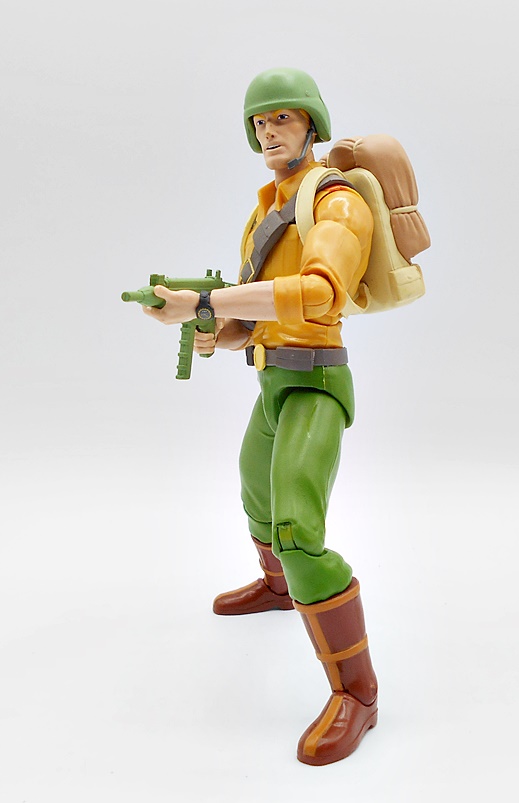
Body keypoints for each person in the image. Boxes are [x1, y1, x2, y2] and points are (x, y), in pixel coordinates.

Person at [144, 67, 378, 766]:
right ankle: (280, 589)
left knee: (297, 530)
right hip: (272, 381)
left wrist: (204, 304)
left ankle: (358, 692)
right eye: (259, 122)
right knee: (256, 493)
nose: (269, 131)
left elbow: (317, 294)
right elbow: (256, 315)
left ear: (311, 124)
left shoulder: (335, 203)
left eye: (282, 118)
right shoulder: (265, 211)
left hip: (316, 384)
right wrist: (217, 332)